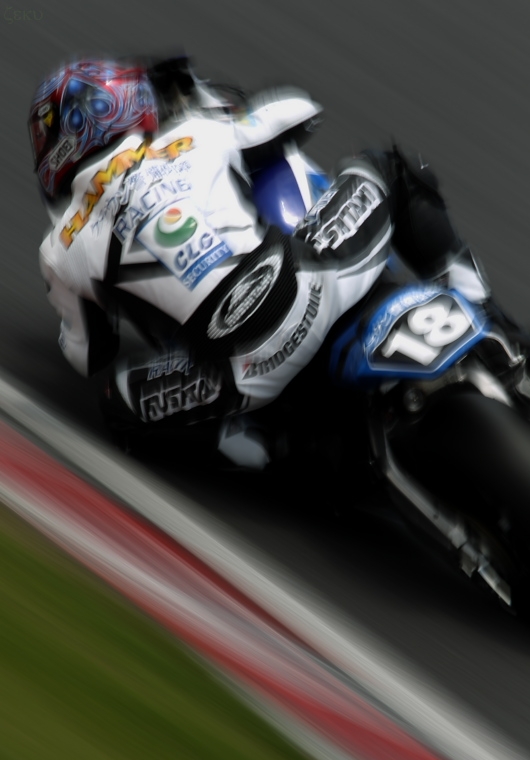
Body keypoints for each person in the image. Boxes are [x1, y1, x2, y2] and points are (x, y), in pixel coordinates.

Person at [30, 56, 496, 468]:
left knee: (114, 400)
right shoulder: (193, 133)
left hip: (240, 374)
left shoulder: (59, 247)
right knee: (387, 167)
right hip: (310, 292)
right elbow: (300, 110)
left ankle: (266, 445)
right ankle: (477, 300)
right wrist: (220, 108)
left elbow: (87, 353)